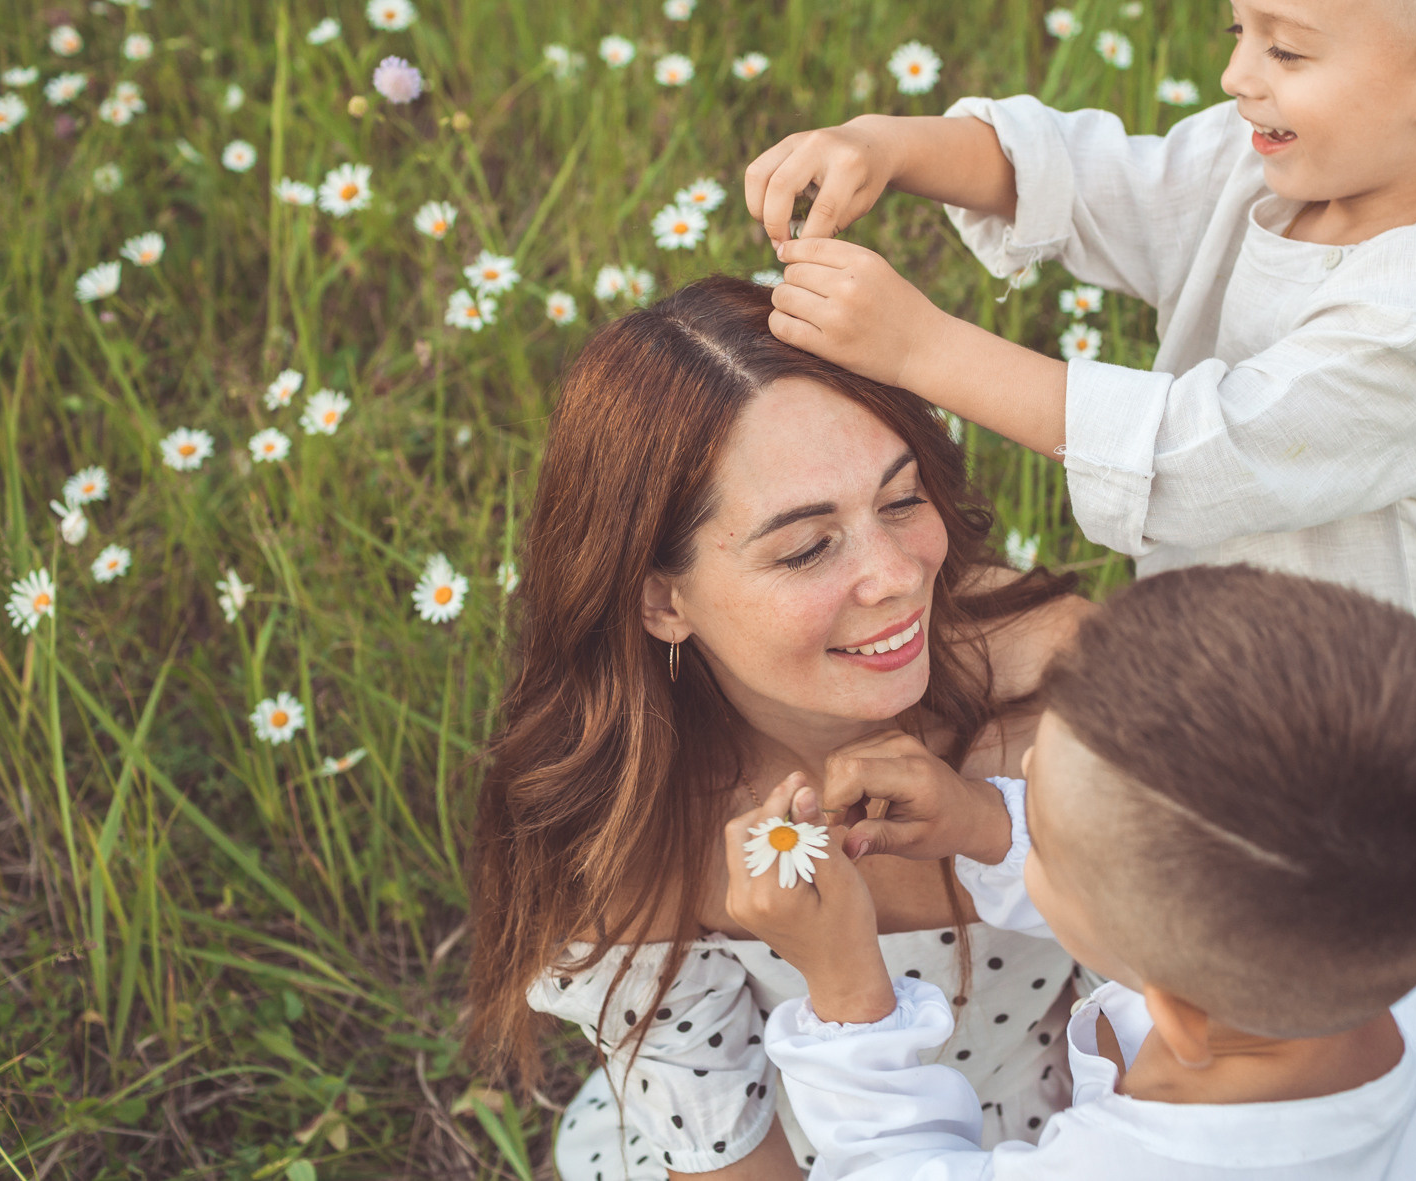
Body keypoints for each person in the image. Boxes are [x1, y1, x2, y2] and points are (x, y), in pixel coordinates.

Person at [743, 0, 1416, 731]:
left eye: (1285, 47)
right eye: (1237, 33)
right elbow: (1090, 179)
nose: (1239, 77)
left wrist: (922, 348)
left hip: (1365, 750)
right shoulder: (1266, 163)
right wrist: (892, 145)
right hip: (1215, 683)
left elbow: (1199, 457)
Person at [463, 277, 1093, 1180]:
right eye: (805, 548)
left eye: (903, 499)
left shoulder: (1057, 696)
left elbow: (1201, 1034)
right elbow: (727, 1158)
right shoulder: (639, 830)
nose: (896, 577)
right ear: (661, 599)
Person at [722, 565, 1416, 1179]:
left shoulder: (1133, 1164)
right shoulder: (1393, 883)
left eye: (1040, 826)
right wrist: (985, 825)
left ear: (1168, 1010)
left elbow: (895, 1166)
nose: (1011, 789)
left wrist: (845, 992)